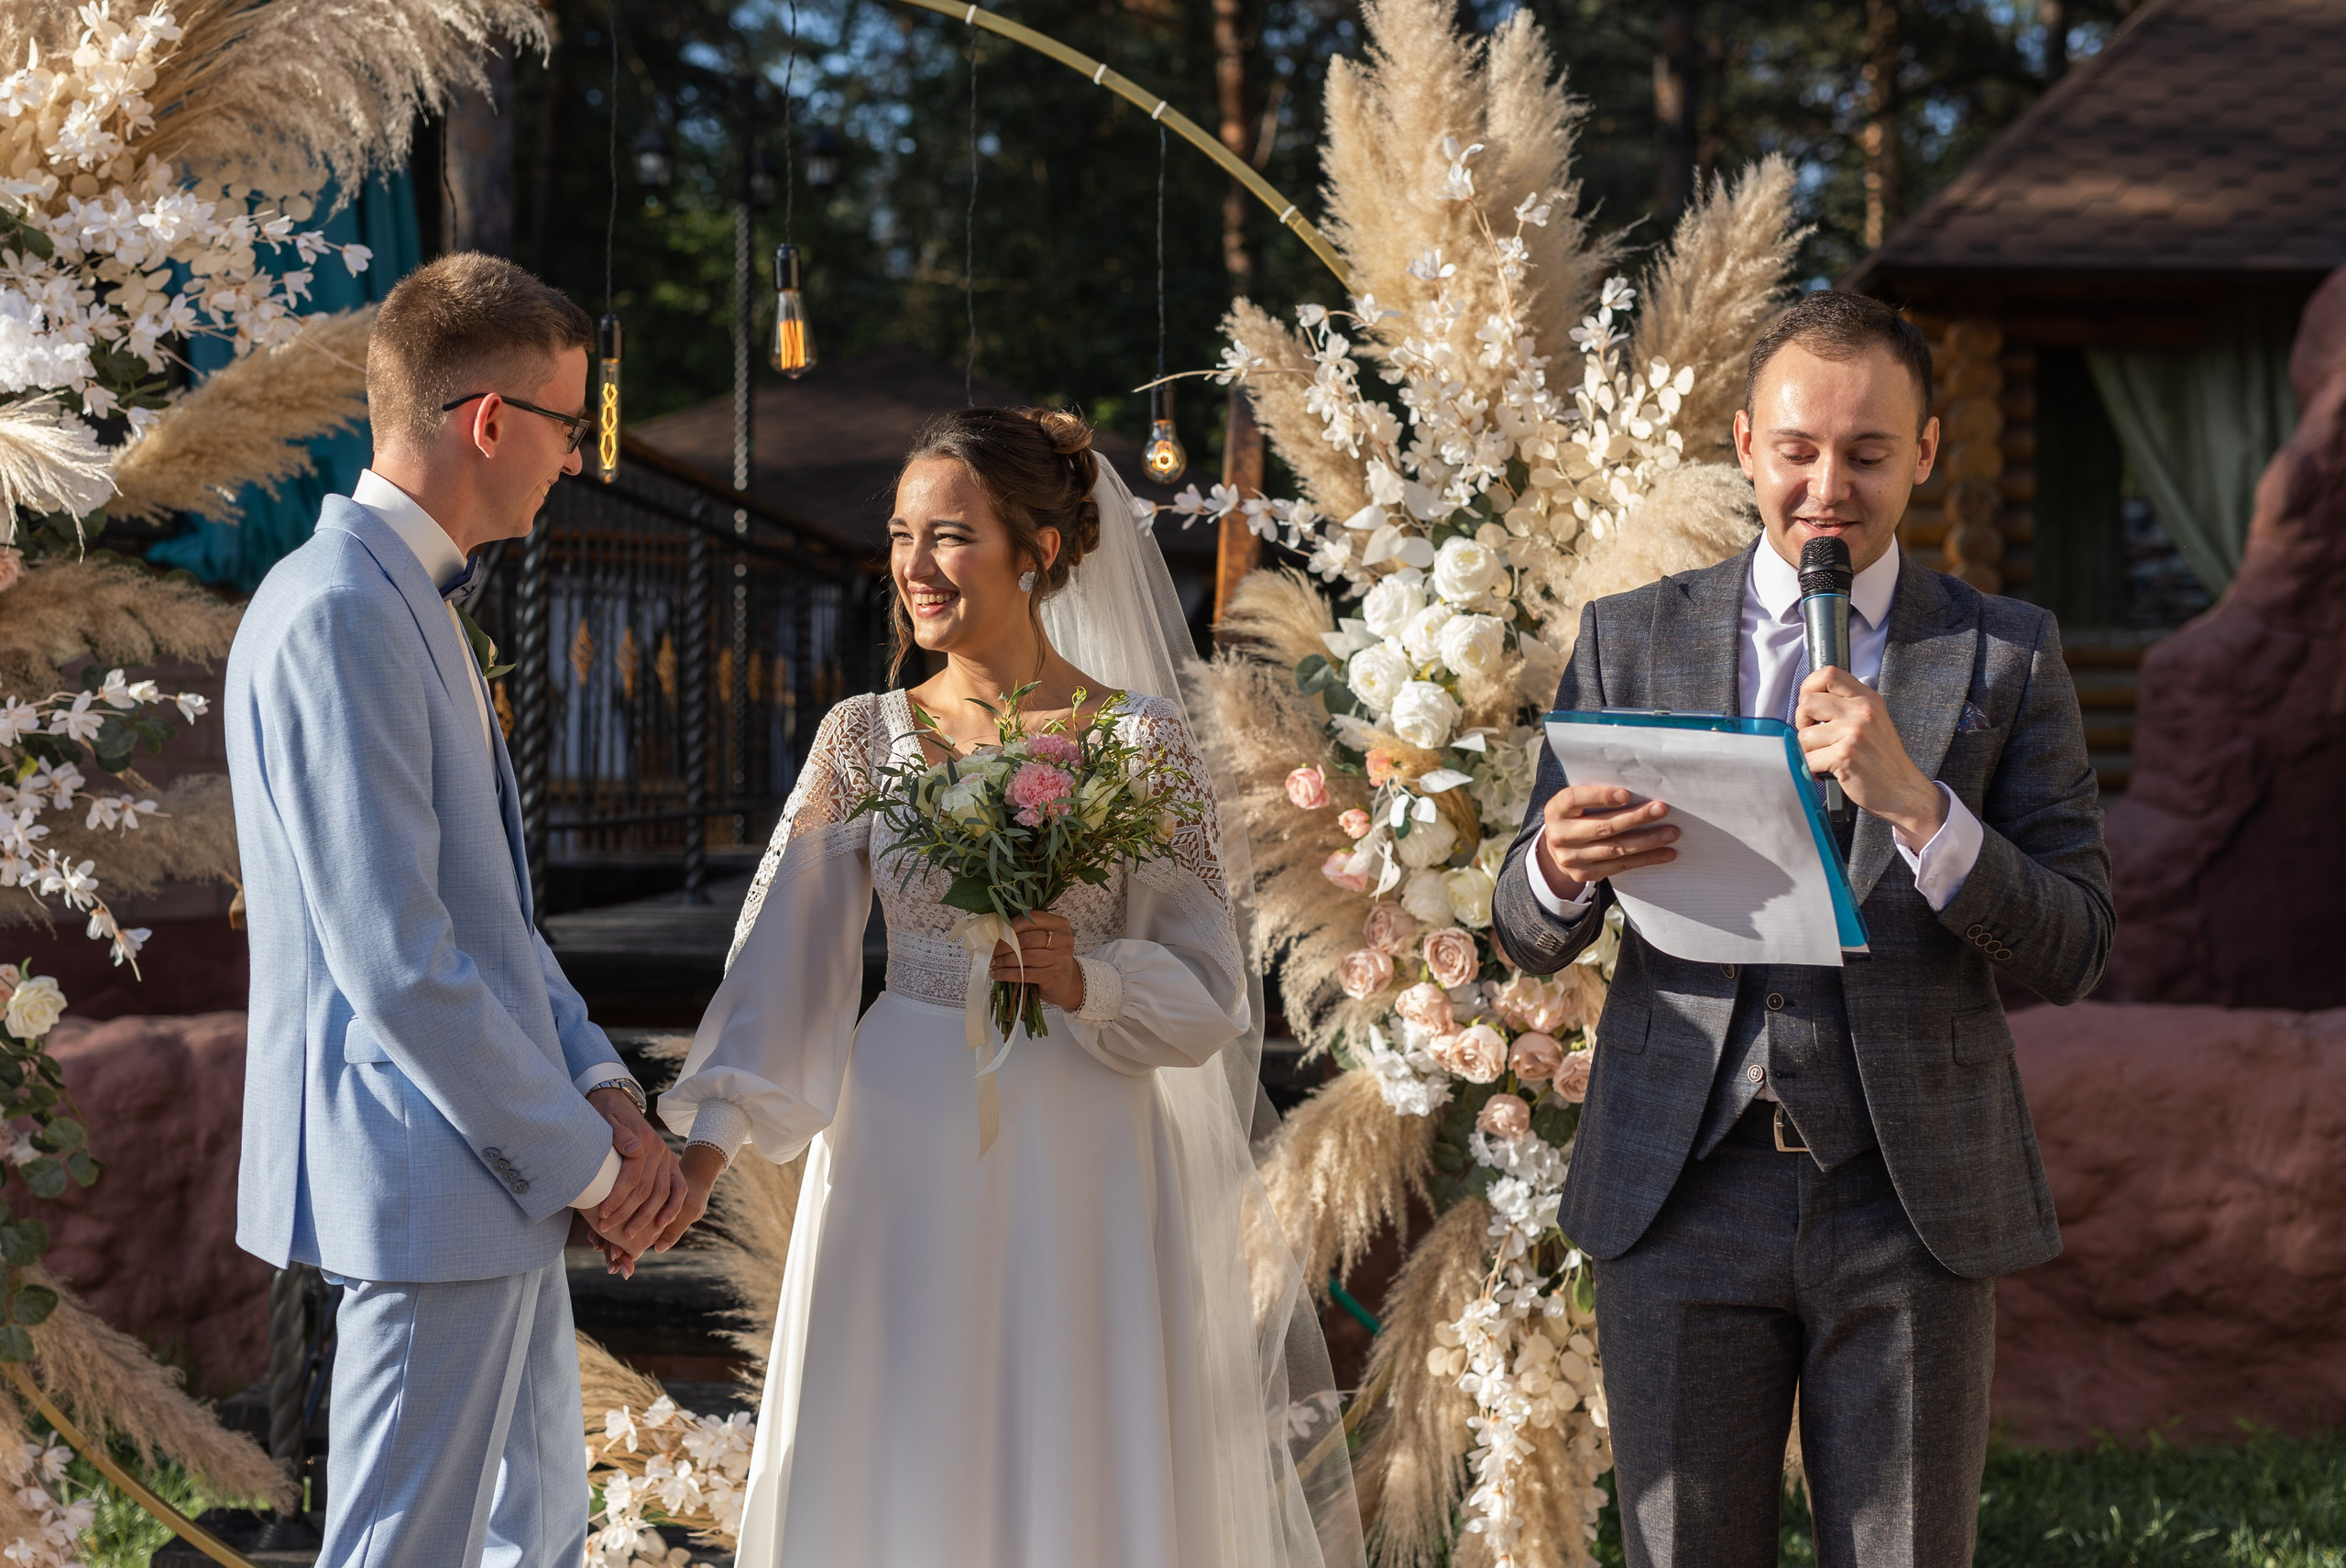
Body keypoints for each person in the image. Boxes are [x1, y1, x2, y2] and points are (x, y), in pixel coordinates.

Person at [652, 408, 1362, 1568]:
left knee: (1072, 1434)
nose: (915, 568)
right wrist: (701, 1151)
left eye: (950, 536)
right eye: (900, 536)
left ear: (1038, 549)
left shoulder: (1142, 743)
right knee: (897, 1434)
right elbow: (783, 962)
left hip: (1082, 1135)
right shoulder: (858, 738)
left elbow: (1209, 990)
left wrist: (1089, 977)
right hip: (900, 1129)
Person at [1490, 291, 2111, 1567]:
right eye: (1799, 449)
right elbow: (1525, 926)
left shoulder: (2005, 655)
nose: (1830, 486)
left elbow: (2078, 939)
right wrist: (1554, 863)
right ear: (1744, 443)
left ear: (1927, 450)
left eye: (1870, 452)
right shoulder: (1630, 633)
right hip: (1679, 1182)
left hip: (1910, 1197)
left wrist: (1924, 807)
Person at [226, 253, 685, 1568]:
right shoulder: (337, 611)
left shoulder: (394, 599)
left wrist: (601, 1086)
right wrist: (595, 1168)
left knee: (528, 1526)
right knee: (400, 1545)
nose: (575, 461)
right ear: (490, 419)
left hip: (486, 1173)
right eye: (569, 423)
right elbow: (400, 961)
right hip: (428, 1173)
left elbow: (490, 916)